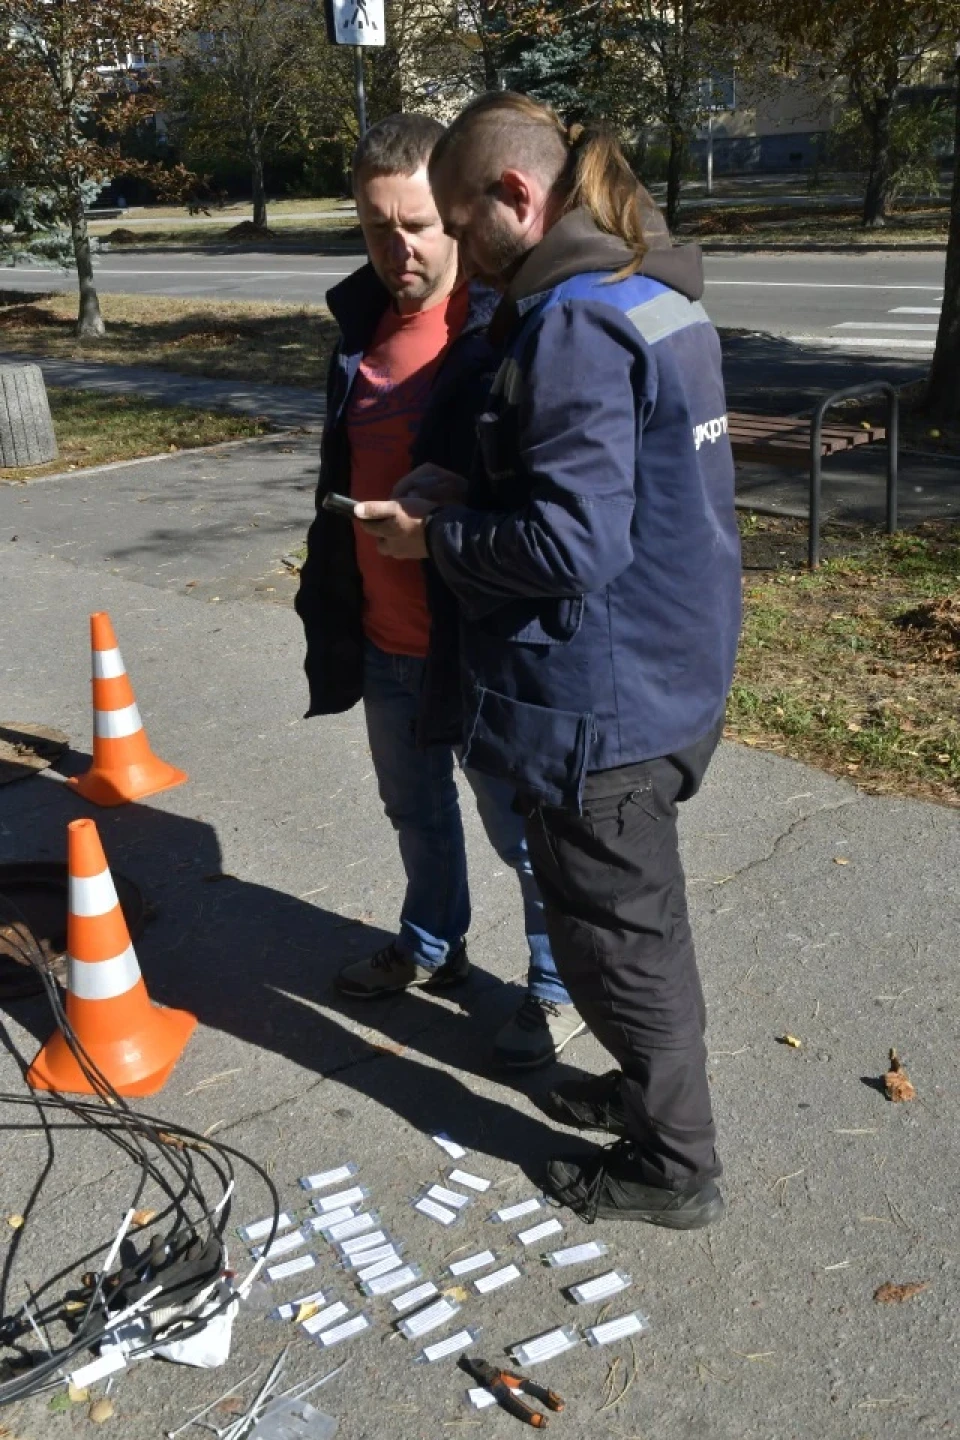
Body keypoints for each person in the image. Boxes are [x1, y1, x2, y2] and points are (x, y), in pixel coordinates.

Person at [353, 94, 742, 1228]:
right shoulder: (650, 289)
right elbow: (606, 490)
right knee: (631, 927)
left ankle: (674, 1167)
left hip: (604, 709)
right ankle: (645, 1093)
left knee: (617, 941)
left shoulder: (575, 322)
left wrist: (438, 538)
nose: (462, 260)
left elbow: (573, 542)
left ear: (518, 199)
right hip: (667, 671)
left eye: (464, 230)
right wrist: (469, 484)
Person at [294, 112, 584, 1070]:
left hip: (480, 643)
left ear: (456, 217)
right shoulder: (361, 322)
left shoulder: (506, 329)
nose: (397, 249)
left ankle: (557, 984)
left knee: (522, 834)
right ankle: (432, 943)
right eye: (376, 226)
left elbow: (554, 506)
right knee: (413, 810)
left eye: (416, 224)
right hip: (384, 635)